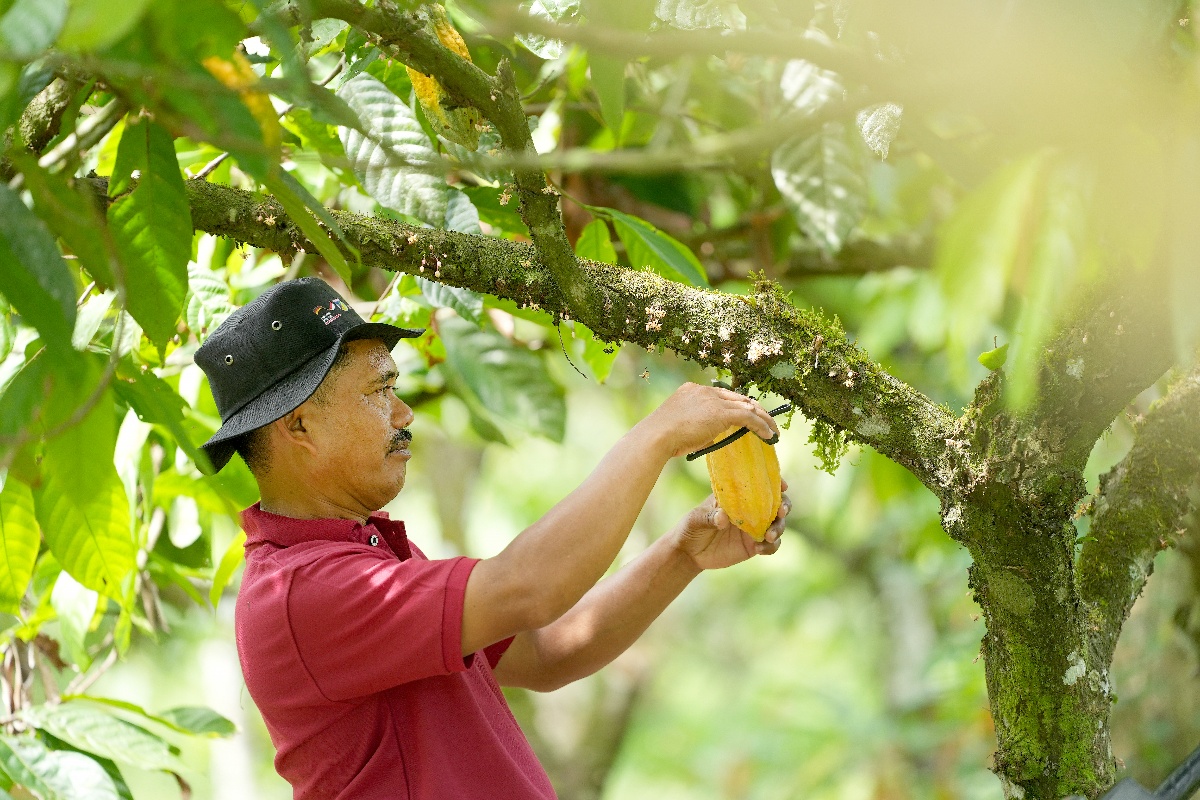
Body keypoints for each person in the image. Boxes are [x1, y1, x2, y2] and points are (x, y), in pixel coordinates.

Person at [194, 277, 790, 800]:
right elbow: (527, 589)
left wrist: (682, 552)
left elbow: (552, 649)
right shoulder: (304, 593)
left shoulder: (364, 557)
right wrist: (656, 435)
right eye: (379, 392)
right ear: (299, 425)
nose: (403, 414)